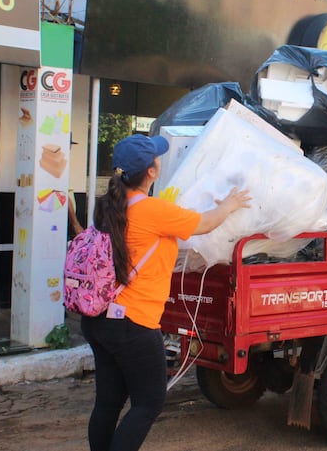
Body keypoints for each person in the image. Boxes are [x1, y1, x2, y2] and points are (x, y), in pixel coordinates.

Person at [81, 133, 251, 451]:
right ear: (152, 172)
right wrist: (230, 204)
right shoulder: (154, 211)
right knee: (148, 402)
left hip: (99, 318)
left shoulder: (105, 208)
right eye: (157, 158)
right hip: (133, 323)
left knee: (108, 403)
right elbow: (205, 223)